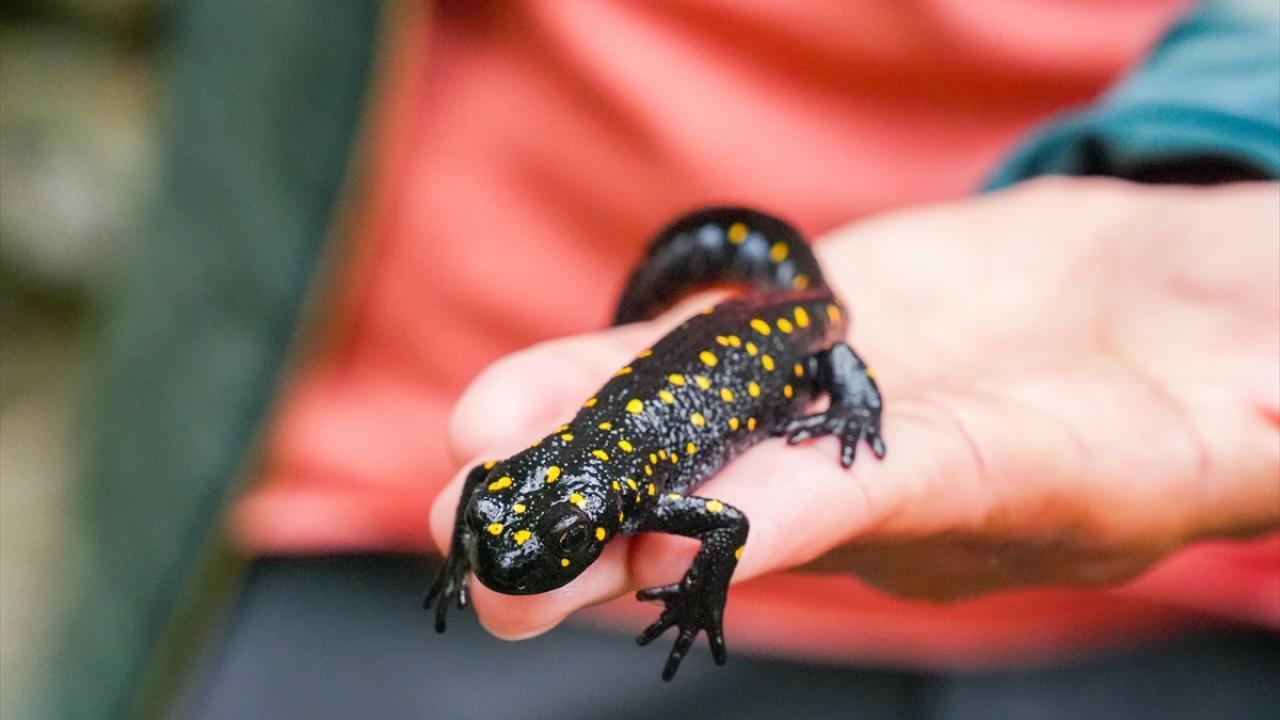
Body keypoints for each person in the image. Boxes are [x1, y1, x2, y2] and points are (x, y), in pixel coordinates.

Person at [36, 1, 1279, 719]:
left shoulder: (675, 472)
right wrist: (469, 555)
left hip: (1197, 616)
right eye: (527, 534)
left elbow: (720, 528)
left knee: (821, 342)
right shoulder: (553, 479)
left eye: (527, 538)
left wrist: (827, 431)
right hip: (353, 487)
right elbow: (513, 496)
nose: (515, 538)